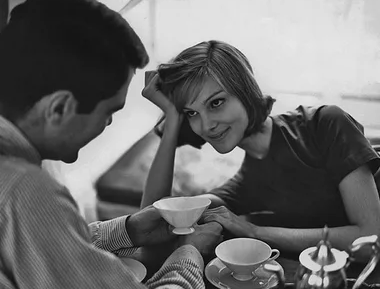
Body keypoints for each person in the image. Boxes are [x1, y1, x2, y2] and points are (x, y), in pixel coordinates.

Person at [0, 0, 223, 289]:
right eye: (109, 113)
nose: (107, 125)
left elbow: (56, 246)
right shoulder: (27, 193)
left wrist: (127, 229)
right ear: (59, 108)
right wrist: (190, 252)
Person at [141, 40, 380, 258]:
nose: (206, 125)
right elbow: (152, 221)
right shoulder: (244, 185)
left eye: (216, 102)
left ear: (244, 91)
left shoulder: (325, 123)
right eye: (191, 113)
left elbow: (372, 237)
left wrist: (255, 231)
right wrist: (173, 117)